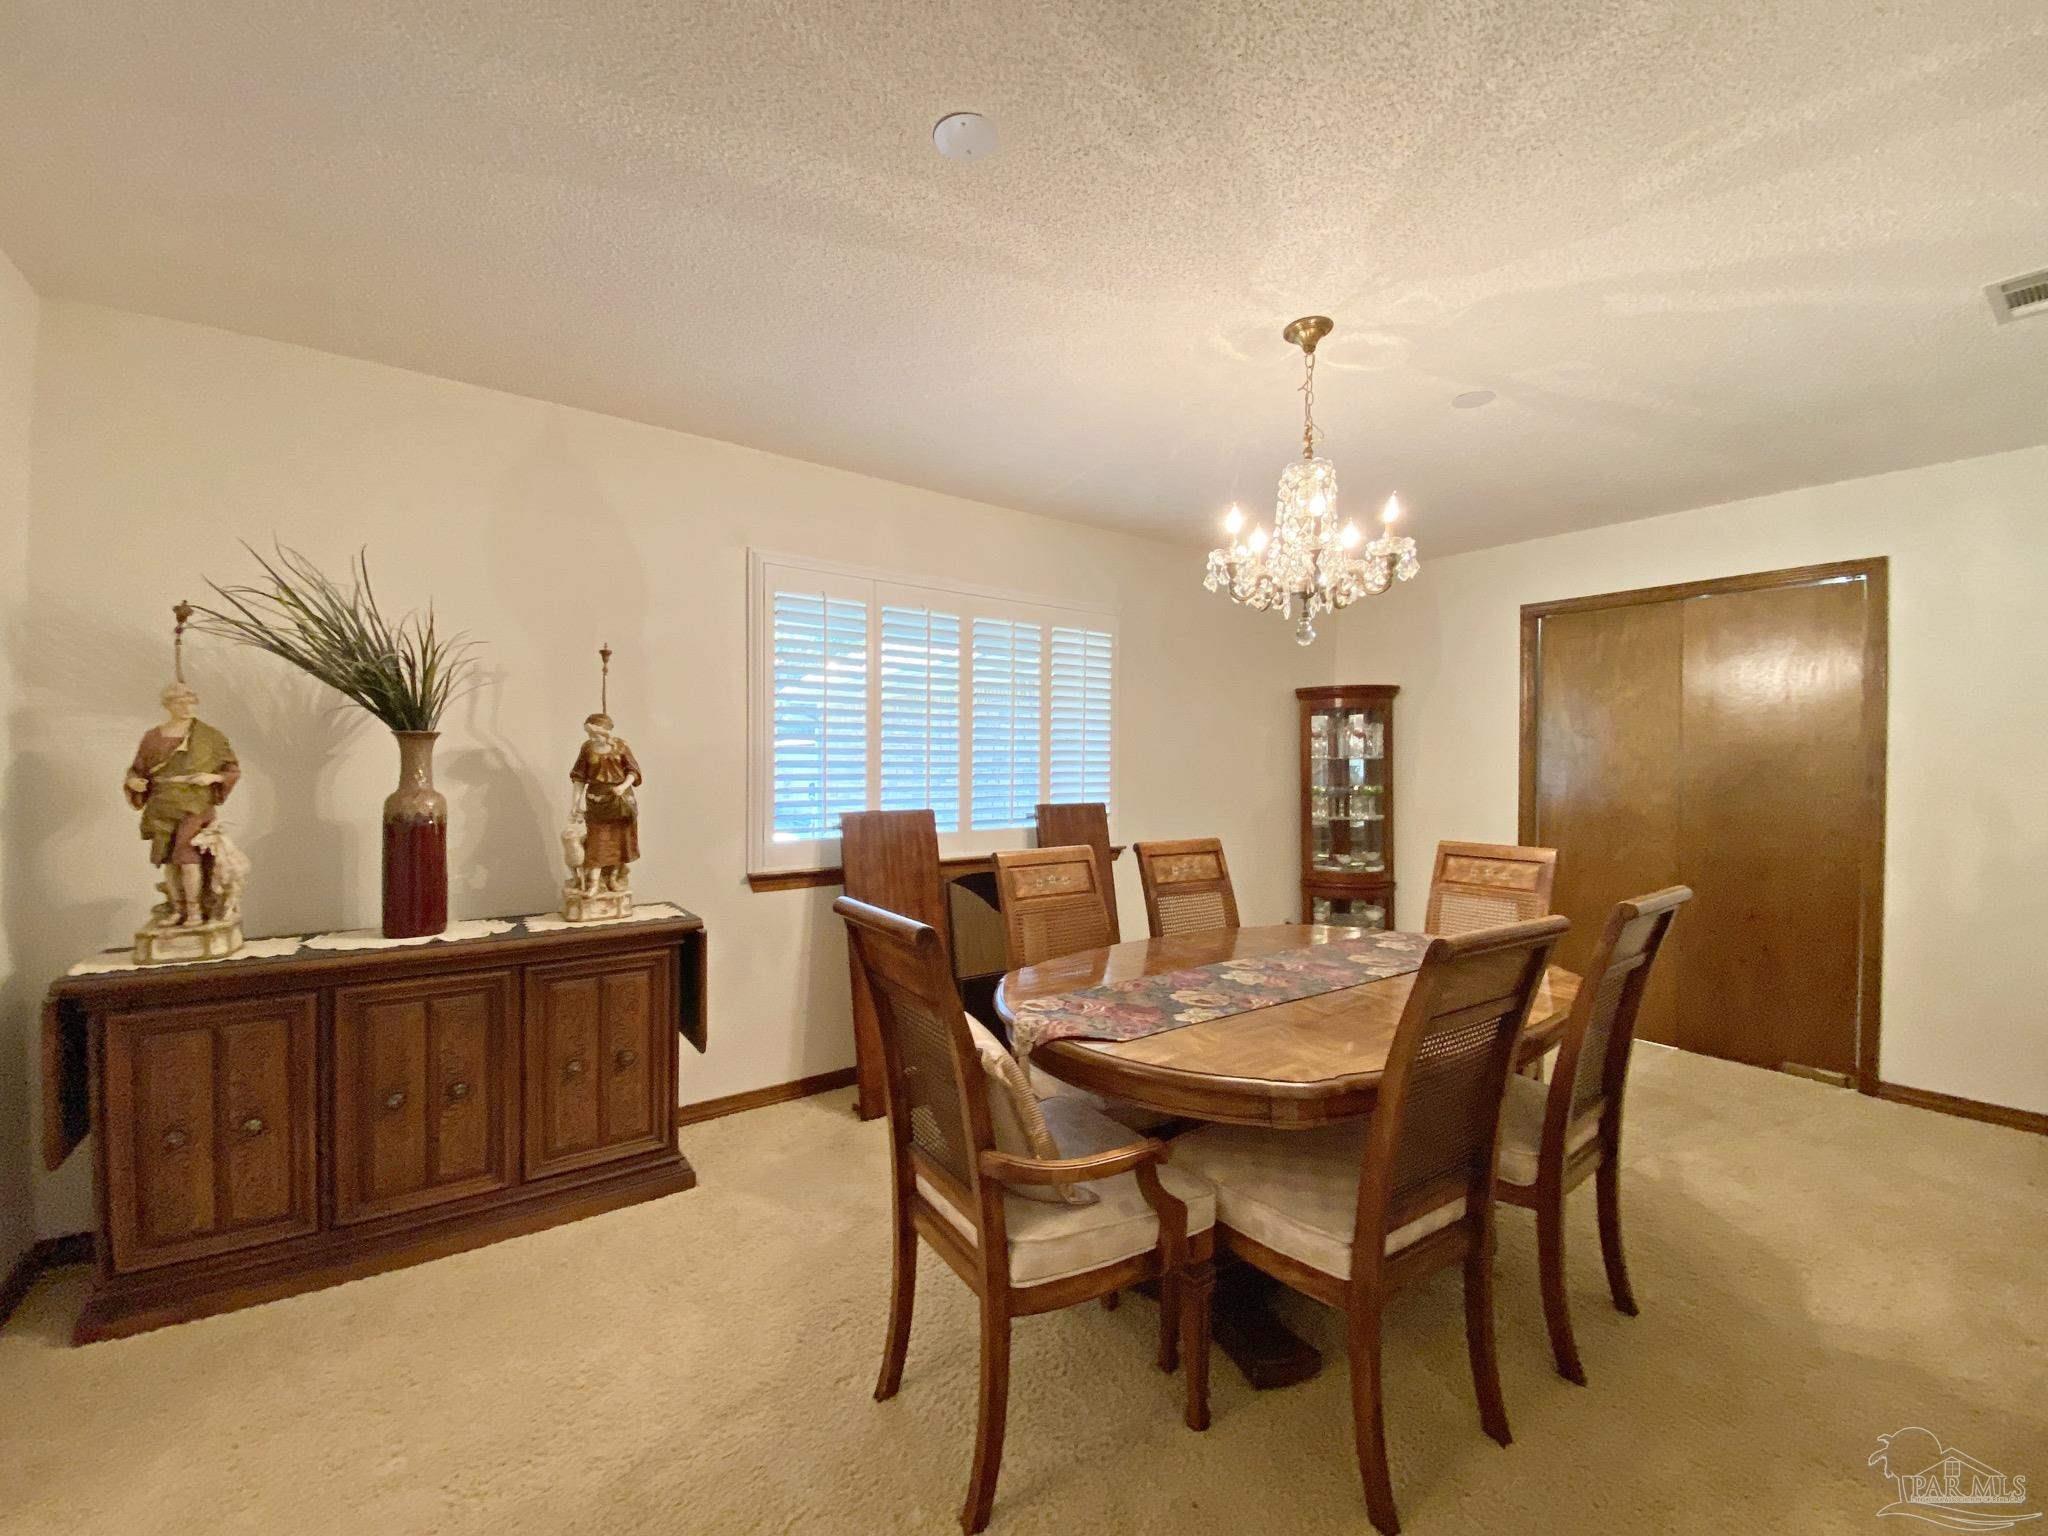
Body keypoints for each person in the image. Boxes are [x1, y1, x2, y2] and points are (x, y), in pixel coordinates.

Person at [124, 682, 241, 925]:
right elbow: (137, 771)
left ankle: (195, 911)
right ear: (168, 705)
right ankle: (178, 910)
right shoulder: (153, 737)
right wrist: (134, 783)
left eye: (191, 701)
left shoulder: (210, 737)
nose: (187, 706)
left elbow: (231, 769)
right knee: (169, 861)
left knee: (187, 859)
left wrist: (213, 777)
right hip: (162, 804)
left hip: (196, 804)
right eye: (180, 702)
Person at [568, 713, 642, 893]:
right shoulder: (587, 748)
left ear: (607, 732)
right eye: (589, 734)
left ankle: (613, 878)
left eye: (596, 734)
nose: (592, 738)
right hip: (597, 800)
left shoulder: (620, 747)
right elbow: (579, 778)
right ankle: (593, 882)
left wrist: (623, 786)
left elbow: (633, 771)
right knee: (597, 841)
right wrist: (575, 804)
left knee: (619, 841)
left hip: (620, 802)